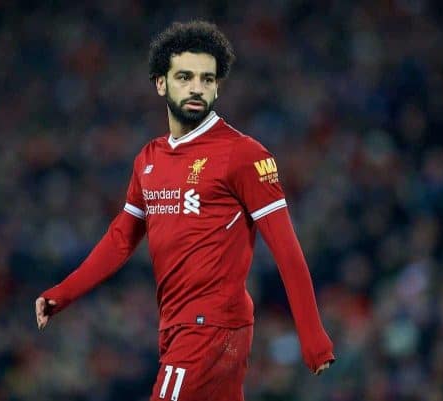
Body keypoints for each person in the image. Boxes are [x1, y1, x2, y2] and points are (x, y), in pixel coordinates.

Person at [35, 20, 334, 401]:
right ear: (161, 83)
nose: (197, 88)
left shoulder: (242, 155)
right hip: (177, 327)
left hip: (210, 328)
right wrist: (63, 294)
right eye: (185, 76)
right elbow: (120, 240)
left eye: (207, 79)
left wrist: (313, 338)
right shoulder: (149, 158)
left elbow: (287, 251)